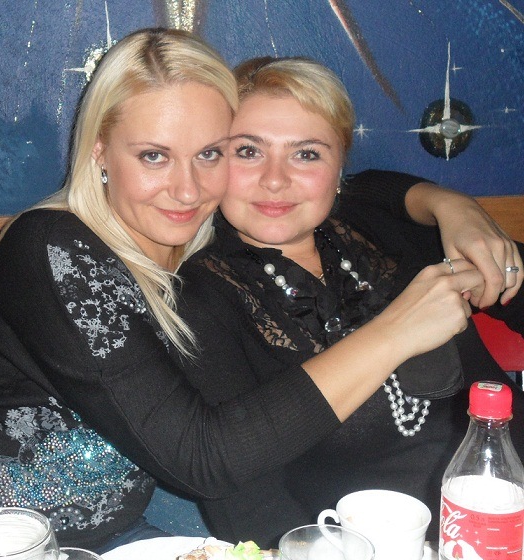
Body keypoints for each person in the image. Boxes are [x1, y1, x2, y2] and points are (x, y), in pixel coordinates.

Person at [0, 27, 517, 552]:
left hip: (131, 526)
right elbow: (205, 461)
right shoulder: (50, 248)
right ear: (99, 150)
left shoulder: (208, 243)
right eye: (154, 155)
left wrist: (450, 204)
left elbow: (356, 191)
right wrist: (396, 331)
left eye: (209, 153)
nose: (187, 189)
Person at [175, 56, 524, 547]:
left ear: (339, 166)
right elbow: (247, 510)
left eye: (306, 154)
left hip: (507, 510)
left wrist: (464, 215)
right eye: (248, 151)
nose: (275, 179)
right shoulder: (197, 296)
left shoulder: (378, 226)